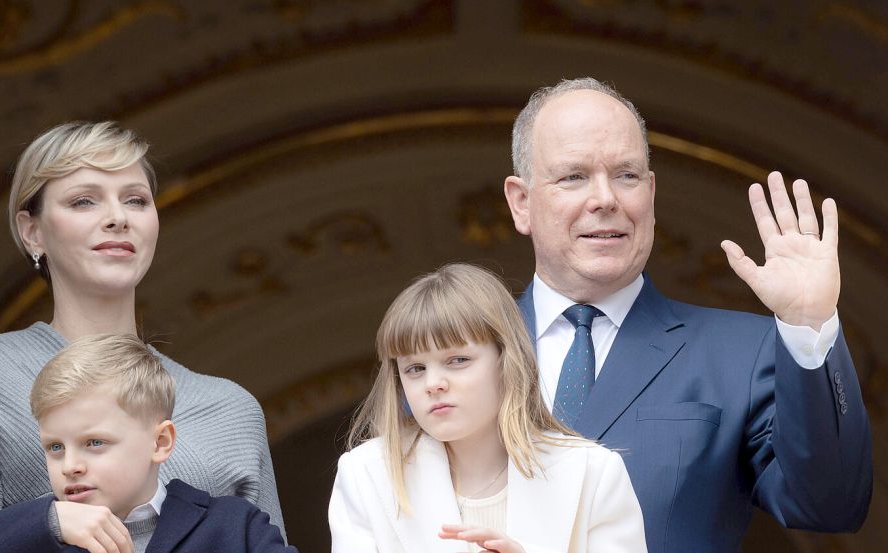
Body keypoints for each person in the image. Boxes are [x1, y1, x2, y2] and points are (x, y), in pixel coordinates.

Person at [502, 77, 872, 553]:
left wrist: (809, 325)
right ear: (521, 202)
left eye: (626, 175)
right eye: (573, 176)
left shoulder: (738, 353)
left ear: (651, 192)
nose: (605, 198)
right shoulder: (455, 351)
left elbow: (833, 504)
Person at [0, 122, 284, 552]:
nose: (117, 218)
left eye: (136, 200)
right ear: (32, 232)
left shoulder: (232, 410)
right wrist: (46, 520)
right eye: (84, 201)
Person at [329, 263, 647, 553]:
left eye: (457, 360)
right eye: (415, 369)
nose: (433, 383)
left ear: (507, 361)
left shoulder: (595, 472)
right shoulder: (365, 475)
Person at [0, 333, 295, 553]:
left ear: (161, 442)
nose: (70, 465)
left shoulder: (235, 527)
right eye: (55, 447)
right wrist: (47, 525)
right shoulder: (34, 539)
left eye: (94, 442)